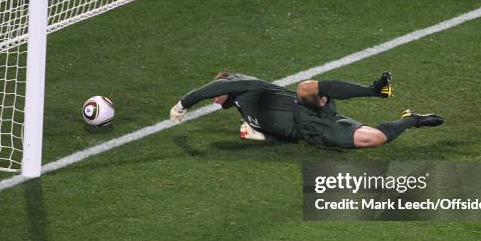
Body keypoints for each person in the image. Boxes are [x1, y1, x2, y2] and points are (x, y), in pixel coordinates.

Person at [170, 72, 443, 149]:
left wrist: (184, 103)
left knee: (305, 88)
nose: (215, 101)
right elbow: (278, 132)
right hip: (312, 129)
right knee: (373, 139)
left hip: (305, 107)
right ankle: (412, 119)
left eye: (216, 96)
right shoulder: (243, 108)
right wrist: (259, 135)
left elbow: (207, 90)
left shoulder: (246, 87)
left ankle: (375, 89)